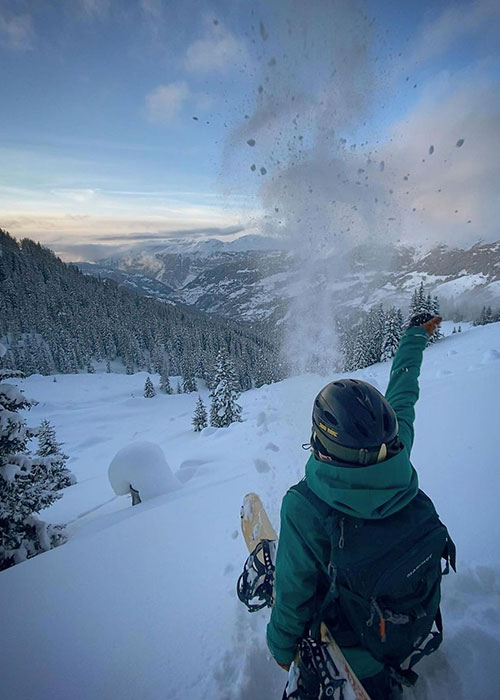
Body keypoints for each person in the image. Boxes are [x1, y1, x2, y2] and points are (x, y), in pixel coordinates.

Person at [266, 314, 445, 699]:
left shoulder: (303, 506)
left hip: (353, 649)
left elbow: (294, 593)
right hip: (414, 622)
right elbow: (404, 395)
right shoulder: (396, 457)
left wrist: (281, 648)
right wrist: (413, 338)